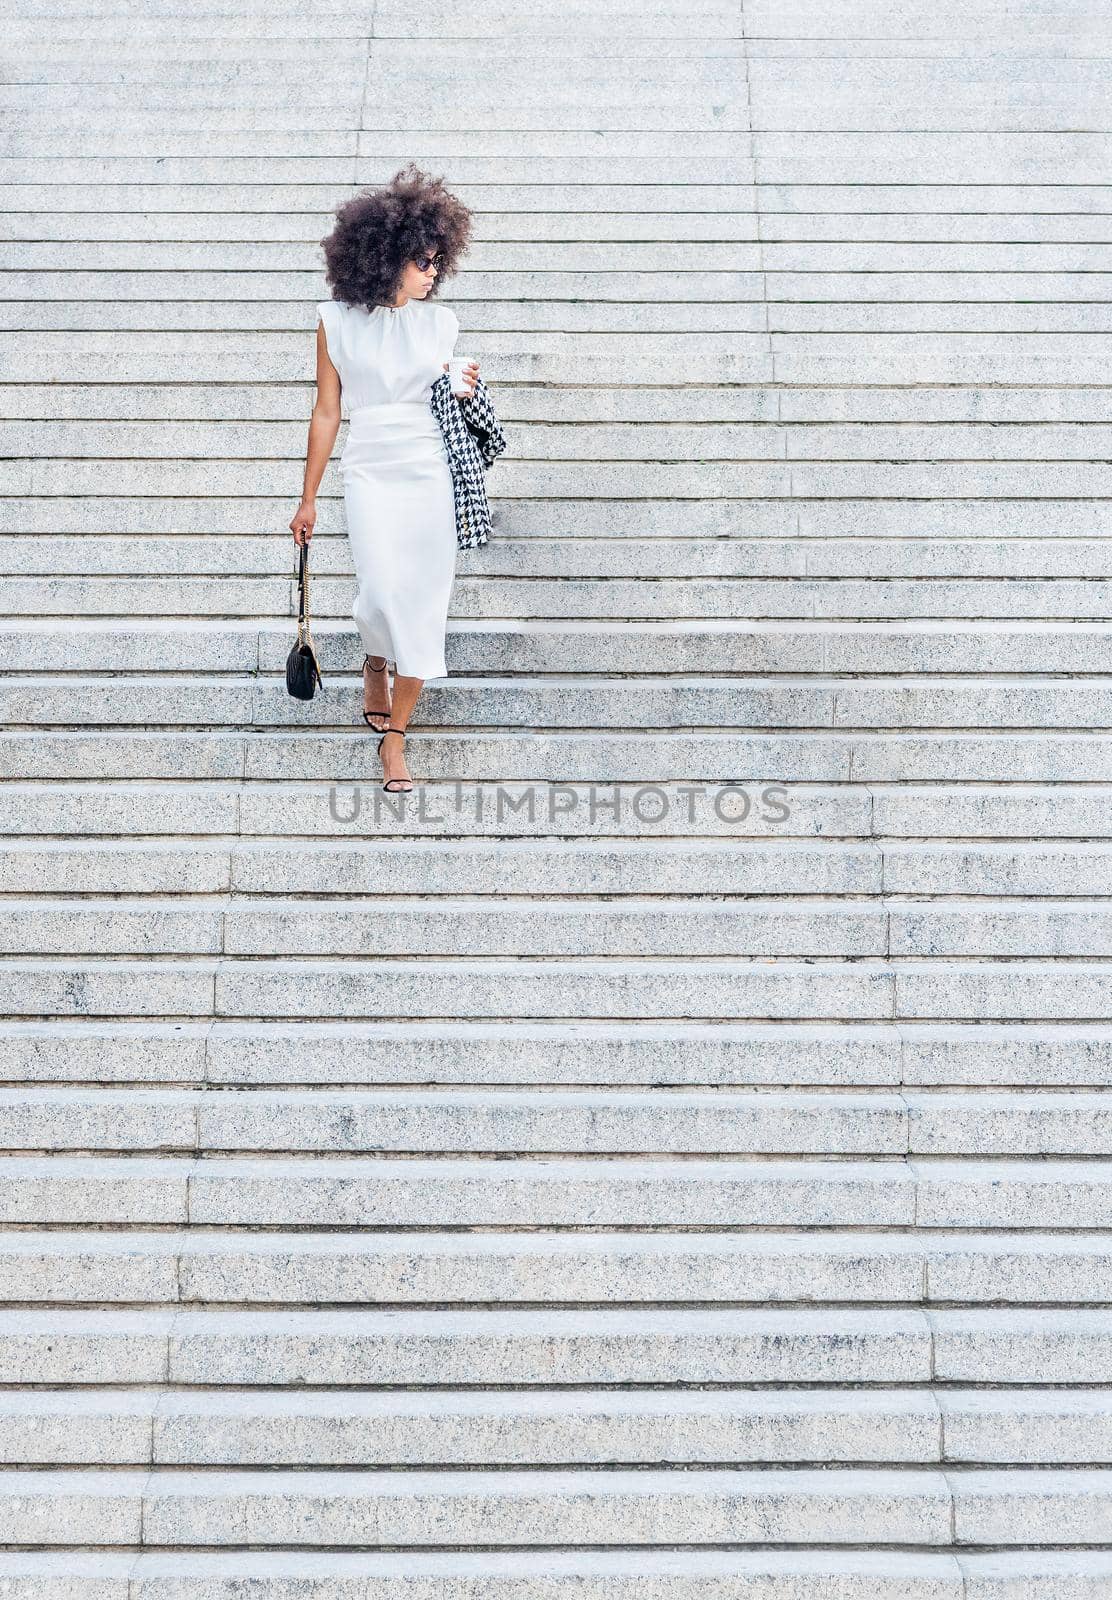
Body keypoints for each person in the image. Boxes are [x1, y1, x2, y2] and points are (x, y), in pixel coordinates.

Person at [289, 163, 479, 793]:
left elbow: (444, 399)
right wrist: (307, 498)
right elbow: (326, 410)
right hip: (369, 464)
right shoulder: (336, 320)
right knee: (377, 590)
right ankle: (374, 654)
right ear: (387, 256)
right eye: (422, 262)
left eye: (436, 262)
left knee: (423, 603)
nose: (432, 274)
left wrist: (461, 389)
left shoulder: (440, 325)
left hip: (429, 470)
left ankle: (396, 738)